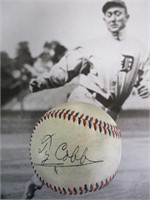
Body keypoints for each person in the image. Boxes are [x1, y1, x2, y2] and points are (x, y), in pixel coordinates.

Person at [23, 0, 150, 198]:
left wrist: (147, 86)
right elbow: (65, 69)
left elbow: (147, 76)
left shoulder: (139, 48)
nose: (114, 18)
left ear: (127, 17)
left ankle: (36, 181)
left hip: (111, 111)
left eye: (118, 13)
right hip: (85, 98)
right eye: (109, 14)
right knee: (70, 145)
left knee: (86, 154)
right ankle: (39, 180)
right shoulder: (93, 45)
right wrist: (43, 82)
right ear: (104, 19)